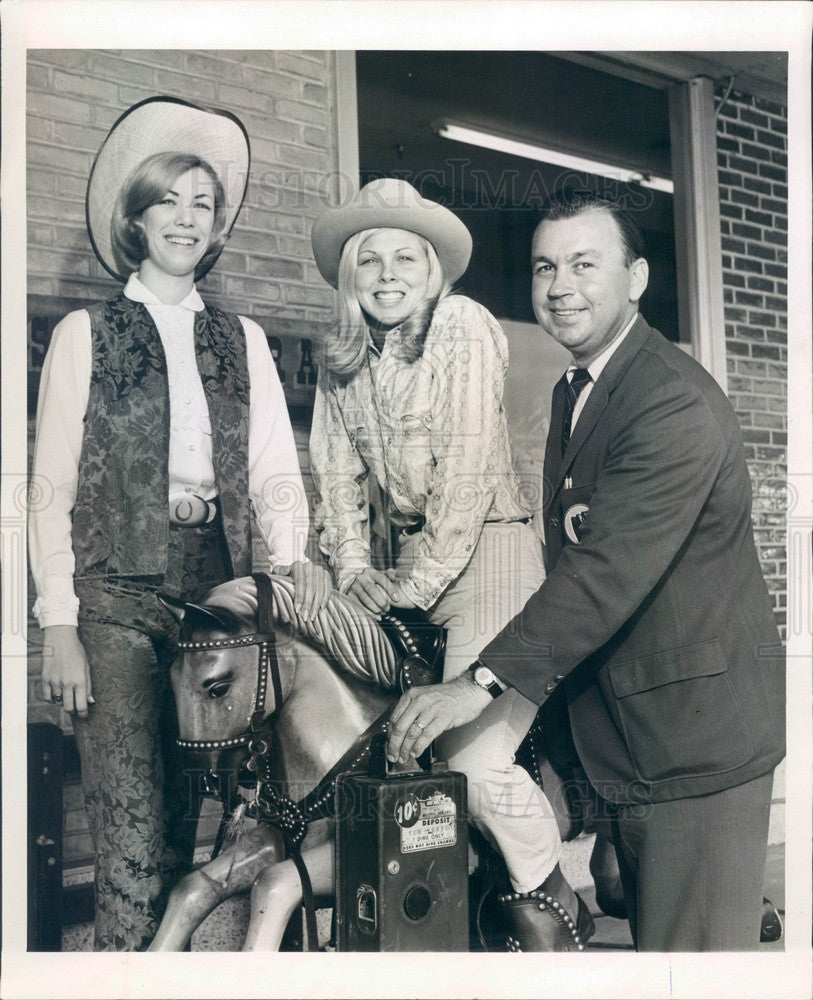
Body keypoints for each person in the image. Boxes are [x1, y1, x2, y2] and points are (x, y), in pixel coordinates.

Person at [388, 188, 786, 951]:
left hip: (692, 747)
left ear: (635, 278)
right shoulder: (579, 389)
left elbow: (602, 574)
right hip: (635, 743)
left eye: (582, 264)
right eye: (544, 268)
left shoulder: (668, 402)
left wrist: (474, 685)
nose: (559, 286)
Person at [29, 97, 331, 951]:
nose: (187, 219)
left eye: (203, 204)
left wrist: (284, 577)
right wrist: (58, 622)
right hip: (115, 601)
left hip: (217, 602)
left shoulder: (243, 340)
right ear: (137, 216)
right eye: (170, 200)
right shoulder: (88, 334)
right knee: (130, 826)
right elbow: (47, 487)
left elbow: (275, 471)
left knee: (196, 829)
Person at [307, 177, 592, 952]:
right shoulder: (340, 351)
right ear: (348, 276)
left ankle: (552, 906)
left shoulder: (462, 326)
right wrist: (353, 569)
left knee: (472, 755)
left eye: (407, 257)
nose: (388, 274)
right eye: (369, 261)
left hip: (492, 548)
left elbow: (465, 476)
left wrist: (411, 586)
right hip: (406, 562)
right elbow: (333, 478)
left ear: (434, 270)